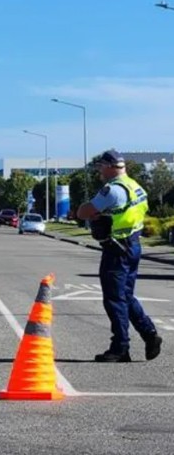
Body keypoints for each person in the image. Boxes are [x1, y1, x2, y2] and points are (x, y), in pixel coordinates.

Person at [76, 149, 163, 363]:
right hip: (133, 245)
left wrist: (92, 212)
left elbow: (83, 212)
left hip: (116, 249)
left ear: (108, 166)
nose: (99, 172)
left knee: (114, 299)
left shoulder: (112, 190)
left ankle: (120, 347)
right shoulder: (136, 187)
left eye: (100, 168)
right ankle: (149, 334)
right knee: (126, 295)